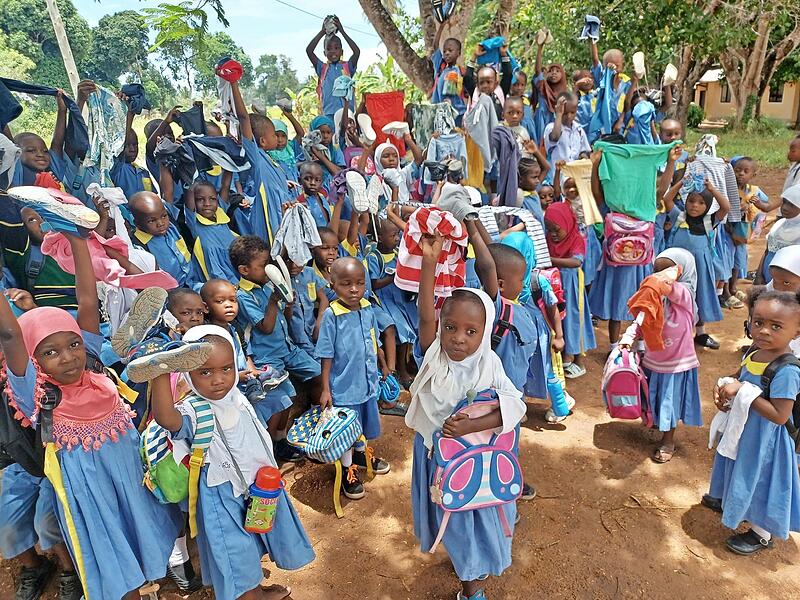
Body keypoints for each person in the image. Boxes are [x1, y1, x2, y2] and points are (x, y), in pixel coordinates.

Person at [0, 233, 182, 600]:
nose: (68, 357)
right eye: (50, 352)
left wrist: (76, 239)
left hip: (129, 479)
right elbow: (10, 334)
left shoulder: (94, 364)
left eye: (73, 344)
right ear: (34, 360)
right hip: (91, 493)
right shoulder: (35, 392)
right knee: (111, 555)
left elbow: (86, 298)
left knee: (144, 538)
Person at [149, 325, 315, 599]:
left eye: (226, 369)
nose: (218, 380)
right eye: (205, 372)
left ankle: (256, 591)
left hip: (257, 487)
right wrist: (160, 371)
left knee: (252, 546)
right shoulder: (193, 410)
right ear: (187, 373)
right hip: (222, 496)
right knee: (236, 555)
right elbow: (167, 419)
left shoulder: (236, 396)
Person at [407, 232, 526, 600]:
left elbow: (515, 407)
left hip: (480, 460)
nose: (458, 338)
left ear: (485, 332)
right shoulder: (433, 357)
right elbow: (425, 313)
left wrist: (473, 425)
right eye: (451, 327)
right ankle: (470, 584)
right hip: (440, 461)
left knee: (475, 515)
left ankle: (469, 568)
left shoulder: (489, 365)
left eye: (471, 331)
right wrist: (429, 261)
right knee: (456, 518)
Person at [704, 289, 800, 555]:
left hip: (766, 442)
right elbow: (740, 376)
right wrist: (725, 388)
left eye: (776, 326)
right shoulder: (755, 352)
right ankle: (732, 502)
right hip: (746, 431)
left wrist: (743, 391)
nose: (764, 331)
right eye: (758, 322)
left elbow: (780, 415)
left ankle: (762, 534)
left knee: (760, 480)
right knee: (740, 470)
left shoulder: (787, 371)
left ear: (796, 332)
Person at [230, 235, 320, 461]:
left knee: (318, 372)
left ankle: (315, 422)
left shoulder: (268, 285)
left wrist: (287, 305)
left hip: (287, 348)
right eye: (263, 266)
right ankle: (274, 443)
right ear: (244, 270)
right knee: (282, 397)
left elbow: (283, 319)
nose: (268, 269)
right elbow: (266, 327)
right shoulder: (243, 296)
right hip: (266, 357)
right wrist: (272, 301)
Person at [316, 257, 391, 499]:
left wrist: (382, 364)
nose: (354, 290)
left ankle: (361, 455)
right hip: (344, 387)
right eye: (346, 284)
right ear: (333, 284)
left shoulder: (367, 308)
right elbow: (326, 354)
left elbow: (374, 339)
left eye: (359, 283)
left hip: (367, 382)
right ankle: (349, 470)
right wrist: (325, 389)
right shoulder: (332, 315)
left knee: (364, 425)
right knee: (347, 431)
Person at [635, 249, 703, 463]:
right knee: (654, 395)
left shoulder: (686, 294)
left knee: (669, 401)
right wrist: (631, 338)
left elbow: (671, 288)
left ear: (682, 272)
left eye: (668, 271)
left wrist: (659, 281)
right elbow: (643, 317)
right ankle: (657, 422)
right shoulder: (655, 295)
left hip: (676, 364)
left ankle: (668, 441)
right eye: (656, 271)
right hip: (654, 358)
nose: (660, 276)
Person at [664, 176, 731, 349]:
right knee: (674, 297)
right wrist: (681, 183)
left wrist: (712, 188)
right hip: (677, 268)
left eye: (701, 203)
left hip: (700, 267)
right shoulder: (678, 216)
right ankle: (676, 332)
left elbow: (726, 207)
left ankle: (700, 333)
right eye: (691, 201)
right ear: (685, 202)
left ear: (707, 206)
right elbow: (667, 199)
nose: (695, 205)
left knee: (700, 296)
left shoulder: (710, 221)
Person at [544, 202, 596, 378]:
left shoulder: (576, 239)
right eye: (549, 229)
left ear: (567, 223)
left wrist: (549, 260)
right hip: (555, 286)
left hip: (572, 288)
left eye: (556, 230)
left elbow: (576, 262)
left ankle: (579, 362)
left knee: (574, 320)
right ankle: (566, 355)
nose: (553, 234)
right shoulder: (549, 238)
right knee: (559, 320)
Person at [184, 179, 239, 287]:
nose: (207, 204)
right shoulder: (194, 222)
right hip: (215, 275)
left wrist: (229, 169)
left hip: (235, 268)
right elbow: (189, 192)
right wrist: (191, 179)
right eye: (200, 199)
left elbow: (226, 185)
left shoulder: (221, 212)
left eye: (212, 199)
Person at [129, 191, 191, 287]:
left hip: (191, 280)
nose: (161, 223)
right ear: (137, 224)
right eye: (152, 221)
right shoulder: (139, 246)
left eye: (164, 216)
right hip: (172, 290)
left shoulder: (171, 226)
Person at [306, 17, 361, 120]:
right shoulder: (322, 68)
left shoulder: (347, 67)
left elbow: (356, 52)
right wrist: (322, 32)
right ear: (324, 53)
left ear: (341, 51)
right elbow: (309, 50)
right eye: (329, 48)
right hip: (329, 114)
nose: (333, 51)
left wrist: (342, 31)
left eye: (336, 48)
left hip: (347, 113)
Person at [543, 93, 590, 183]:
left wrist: (583, 157)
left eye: (572, 113)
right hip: (557, 179)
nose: (569, 116)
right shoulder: (551, 127)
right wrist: (559, 114)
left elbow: (584, 151)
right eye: (565, 113)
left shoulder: (579, 130)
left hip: (574, 179)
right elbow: (555, 137)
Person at [532, 40, 569, 144]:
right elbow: (538, 71)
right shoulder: (543, 87)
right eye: (551, 71)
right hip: (541, 125)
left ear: (563, 75)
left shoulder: (565, 95)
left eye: (557, 71)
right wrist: (540, 47)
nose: (554, 73)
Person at [430, 22, 467, 122]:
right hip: (439, 115)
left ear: (458, 53)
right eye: (445, 51)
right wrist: (441, 27)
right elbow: (435, 46)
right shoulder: (440, 67)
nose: (446, 53)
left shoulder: (461, 72)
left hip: (457, 115)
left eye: (450, 50)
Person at [295, 161, 334, 227]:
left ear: (321, 182)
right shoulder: (300, 202)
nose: (313, 183)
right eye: (307, 179)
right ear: (299, 180)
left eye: (317, 180)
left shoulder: (324, 196)